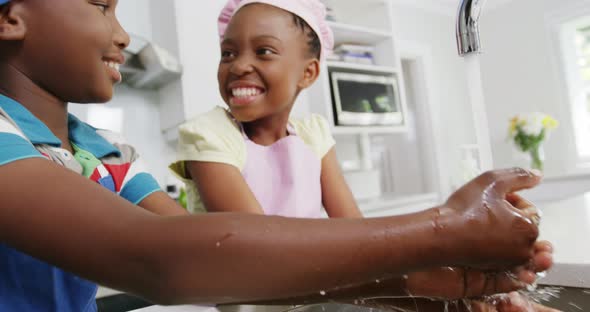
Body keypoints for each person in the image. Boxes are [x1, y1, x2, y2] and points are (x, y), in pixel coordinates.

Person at [0, 0, 554, 311]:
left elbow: (226, 265)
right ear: (12, 18)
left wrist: (418, 282)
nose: (122, 35)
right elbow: (168, 258)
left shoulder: (98, 152)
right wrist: (442, 231)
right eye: (101, 5)